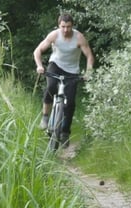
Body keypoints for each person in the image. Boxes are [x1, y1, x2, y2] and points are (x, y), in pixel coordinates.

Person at [33, 13, 94, 147]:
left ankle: (65, 132)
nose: (66, 30)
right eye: (63, 27)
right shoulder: (54, 35)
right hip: (55, 65)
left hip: (72, 71)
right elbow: (37, 51)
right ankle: (45, 117)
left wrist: (88, 72)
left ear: (72, 26)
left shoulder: (79, 38)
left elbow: (89, 56)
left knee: (70, 102)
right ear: (59, 26)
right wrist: (39, 66)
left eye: (68, 27)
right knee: (51, 87)